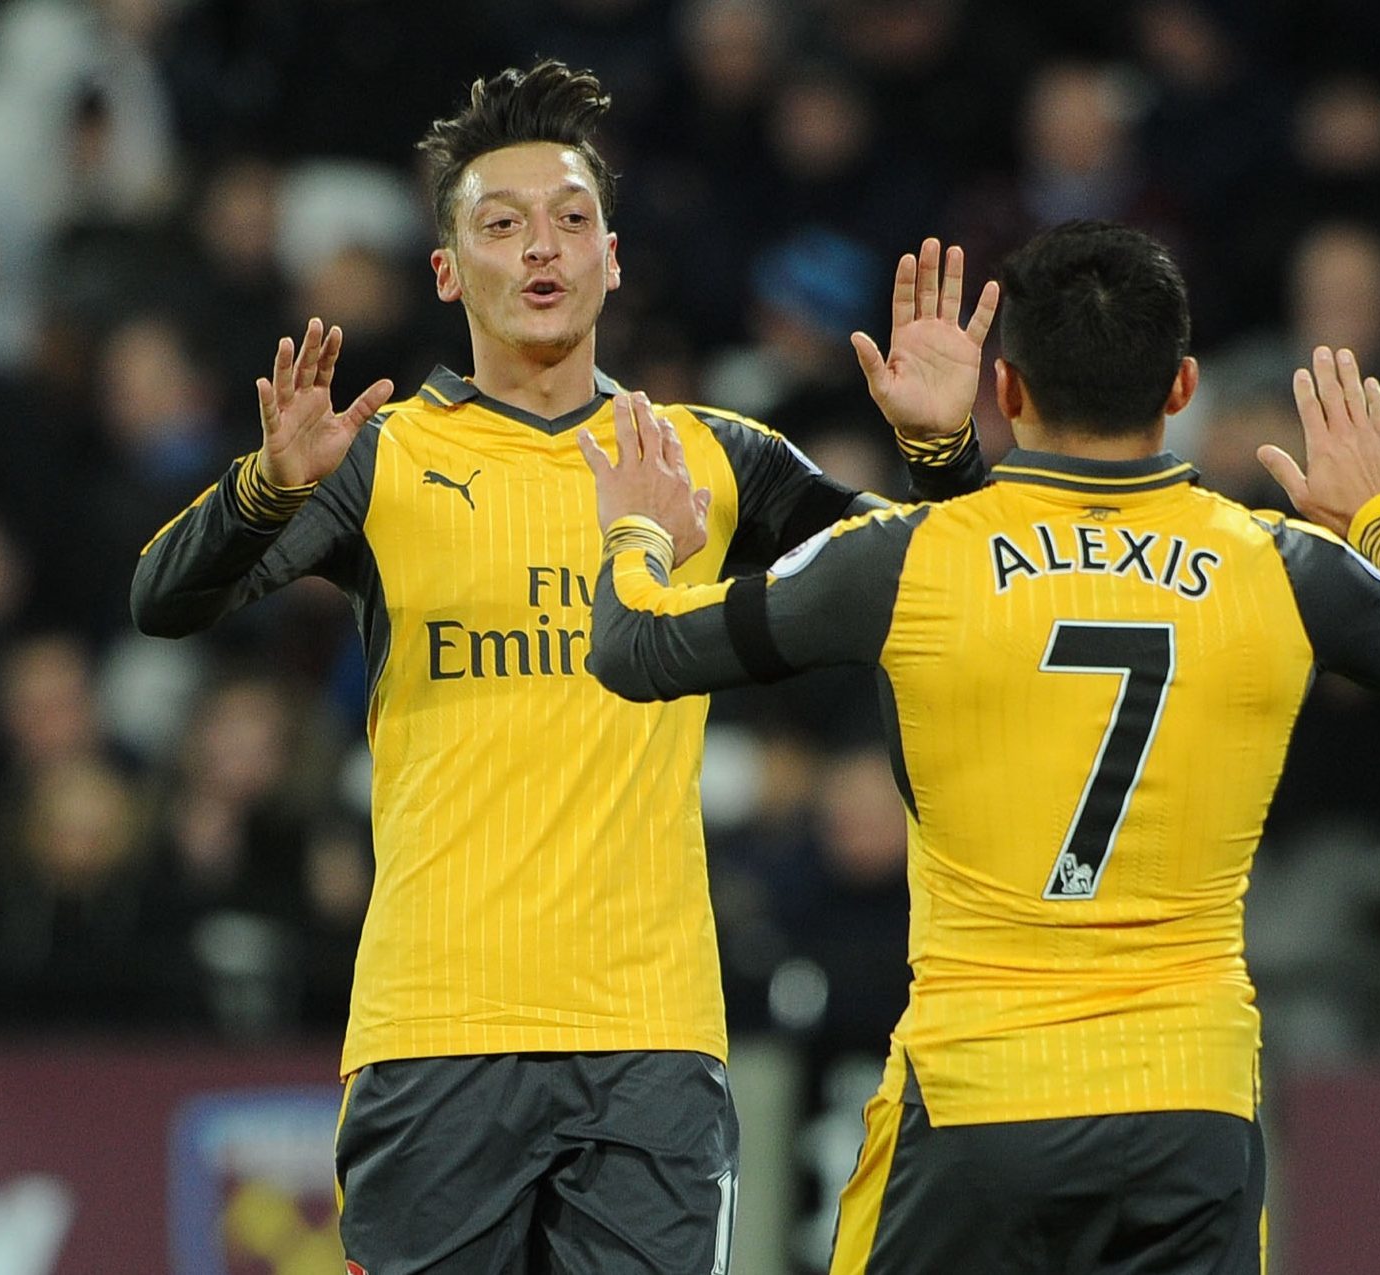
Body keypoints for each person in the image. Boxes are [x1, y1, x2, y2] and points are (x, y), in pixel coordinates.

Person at [129, 59, 998, 1274]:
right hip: (437, 1030)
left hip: (650, 1039)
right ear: (447, 271)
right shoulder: (384, 459)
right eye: (501, 224)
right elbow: (165, 601)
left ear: (614, 258)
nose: (541, 247)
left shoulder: (708, 455)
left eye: (572, 220)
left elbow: (967, 591)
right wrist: (270, 487)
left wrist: (943, 449)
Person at [581, 219, 1380, 1273]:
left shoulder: (911, 562)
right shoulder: (1281, 568)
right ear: (1180, 388)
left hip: (979, 1098)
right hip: (1191, 1106)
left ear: (1011, 393)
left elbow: (637, 652)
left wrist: (636, 531)